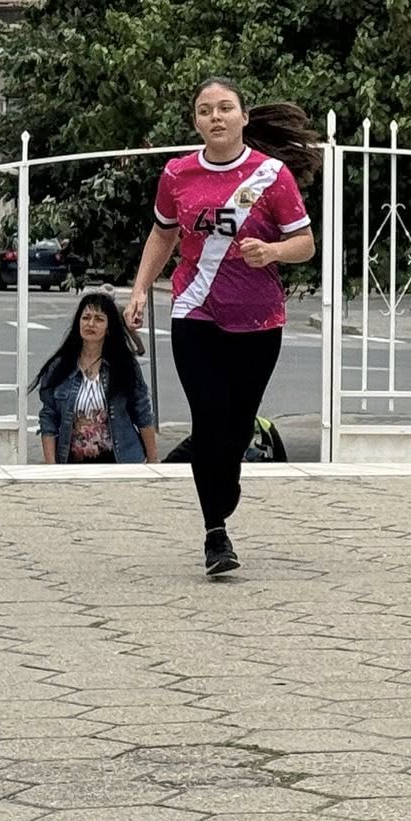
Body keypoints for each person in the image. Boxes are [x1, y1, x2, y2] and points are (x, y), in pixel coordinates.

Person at [124, 78, 319, 576]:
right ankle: (216, 533)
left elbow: (305, 245)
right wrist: (141, 289)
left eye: (225, 108)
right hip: (195, 311)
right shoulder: (178, 174)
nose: (216, 117)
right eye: (205, 110)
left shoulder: (272, 175)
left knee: (235, 428)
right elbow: (163, 234)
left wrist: (271, 251)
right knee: (209, 420)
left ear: (243, 117)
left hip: (258, 320)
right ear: (196, 121)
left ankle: (224, 480)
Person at [35, 292, 159, 465]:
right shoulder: (60, 367)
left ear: (109, 327)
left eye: (99, 319)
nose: (91, 324)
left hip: (121, 461)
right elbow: (49, 418)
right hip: (73, 464)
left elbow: (143, 413)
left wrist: (153, 460)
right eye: (86, 318)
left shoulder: (124, 366)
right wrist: (51, 465)